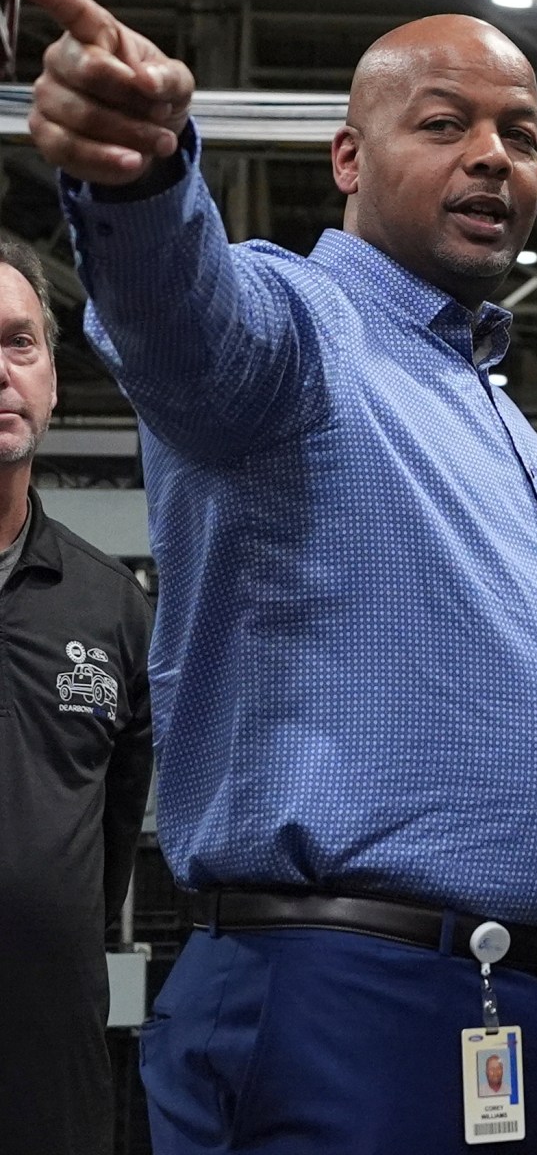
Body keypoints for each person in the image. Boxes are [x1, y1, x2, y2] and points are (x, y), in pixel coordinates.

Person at [21, 0, 537, 1155]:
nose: (494, 156)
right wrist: (142, 177)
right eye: (445, 124)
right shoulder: (300, 338)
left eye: (520, 132)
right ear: (348, 160)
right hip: (341, 1003)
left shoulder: (501, 429)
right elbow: (184, 319)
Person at [0, 233, 155, 1155]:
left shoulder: (110, 605)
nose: (1, 372)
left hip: (50, 1074)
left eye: (21, 344)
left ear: (53, 380)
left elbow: (112, 836)